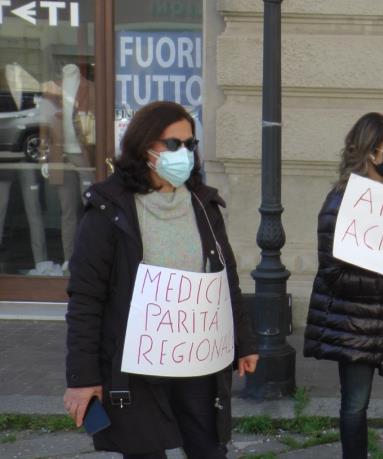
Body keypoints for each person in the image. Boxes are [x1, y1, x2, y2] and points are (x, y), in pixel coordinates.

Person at [63, 101, 258, 458]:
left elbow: (225, 279)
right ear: (144, 146)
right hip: (136, 366)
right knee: (144, 451)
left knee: (209, 450)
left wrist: (243, 341)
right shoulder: (110, 209)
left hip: (197, 360)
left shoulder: (202, 203)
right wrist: (82, 378)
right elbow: (86, 298)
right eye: (173, 144)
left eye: (190, 145)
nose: (184, 153)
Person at [303, 112, 383, 459]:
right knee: (355, 404)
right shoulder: (340, 203)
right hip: (355, 320)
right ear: (371, 151)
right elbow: (332, 273)